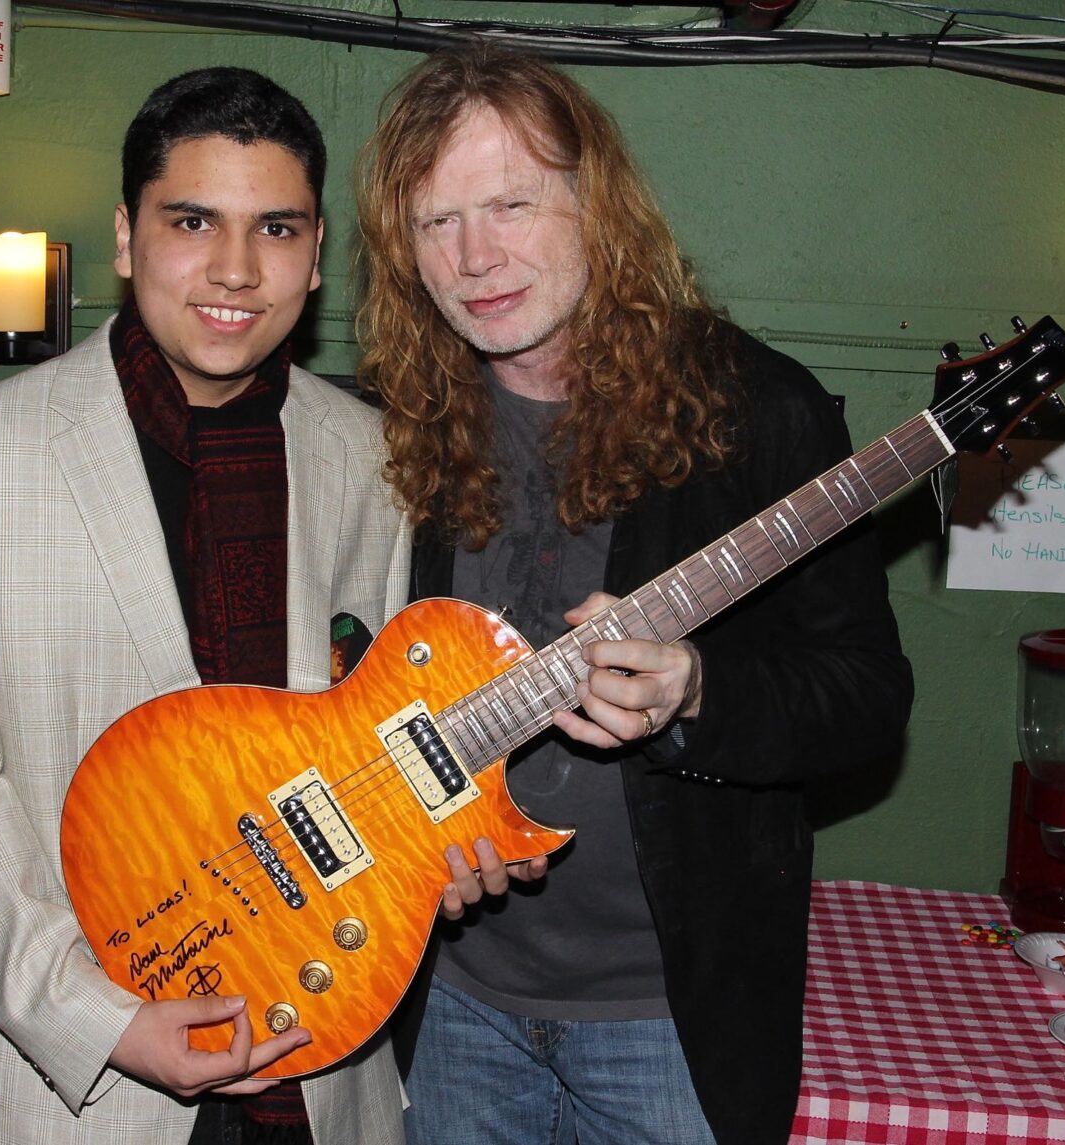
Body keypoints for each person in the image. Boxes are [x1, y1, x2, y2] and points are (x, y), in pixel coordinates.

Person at [356, 45, 914, 1145]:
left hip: (671, 1017)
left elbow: (865, 695)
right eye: (437, 222)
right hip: (448, 1006)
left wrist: (699, 688)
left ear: (595, 202)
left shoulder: (759, 410)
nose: (477, 255)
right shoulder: (382, 426)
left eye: (512, 202)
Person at [0, 68, 412, 1145]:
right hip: (62, 1089)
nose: (234, 268)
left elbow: (376, 757)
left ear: (315, 260)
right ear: (127, 237)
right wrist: (107, 1021)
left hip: (316, 1084)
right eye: (193, 220)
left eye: (277, 229)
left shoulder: (373, 460)